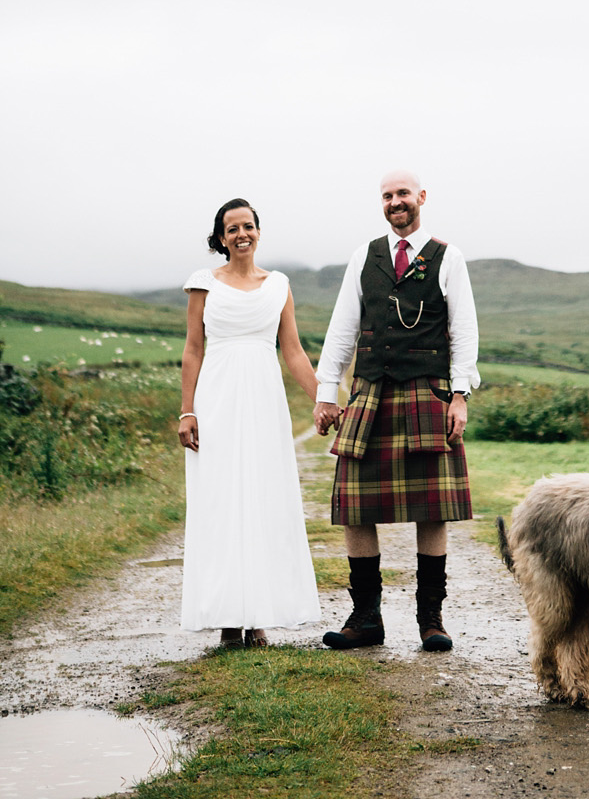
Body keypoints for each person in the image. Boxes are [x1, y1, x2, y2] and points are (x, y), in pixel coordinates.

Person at [313, 170, 479, 653]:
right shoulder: (365, 256)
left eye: (403, 193)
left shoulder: (449, 257)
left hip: (428, 392)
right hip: (371, 391)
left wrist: (460, 395)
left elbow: (464, 330)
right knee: (355, 506)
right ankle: (366, 617)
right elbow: (343, 325)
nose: (395, 202)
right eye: (387, 196)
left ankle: (431, 618)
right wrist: (328, 390)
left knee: (433, 508)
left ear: (422, 198)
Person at [179, 198, 321, 647]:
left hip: (263, 402)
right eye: (232, 228)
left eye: (248, 226)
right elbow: (193, 349)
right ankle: (226, 616)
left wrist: (325, 399)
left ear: (258, 232)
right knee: (220, 501)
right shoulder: (204, 284)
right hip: (216, 400)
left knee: (263, 498)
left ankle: (256, 613)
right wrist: (187, 410)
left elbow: (293, 351)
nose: (241, 234)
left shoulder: (278, 285)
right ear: (221, 239)